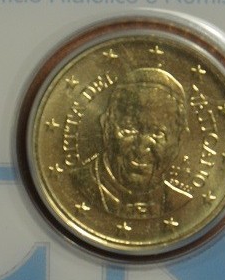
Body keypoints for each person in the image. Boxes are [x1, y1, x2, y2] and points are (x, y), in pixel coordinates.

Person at [74, 67, 193, 219]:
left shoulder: (180, 202)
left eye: (157, 133)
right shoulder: (75, 185)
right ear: (106, 127)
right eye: (129, 129)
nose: (141, 149)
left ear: (179, 140)